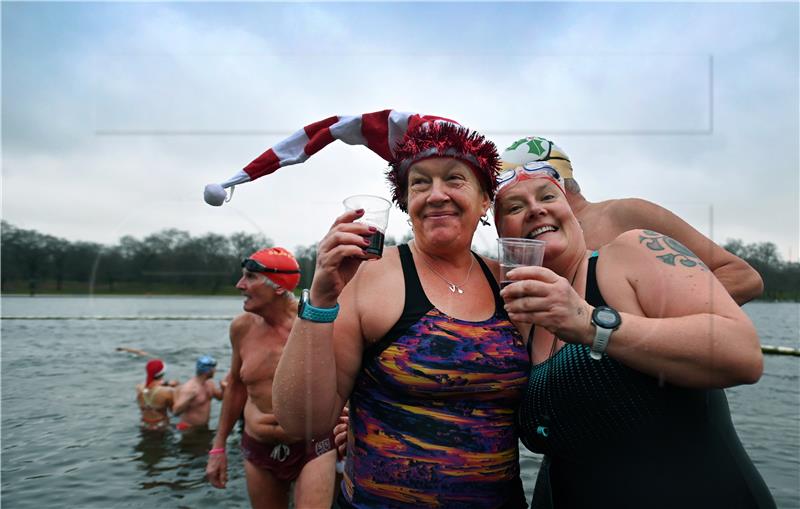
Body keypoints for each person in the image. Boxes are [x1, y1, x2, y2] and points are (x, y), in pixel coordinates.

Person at [224, 110, 533, 508]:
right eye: (420, 183)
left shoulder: (510, 283)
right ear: (405, 201)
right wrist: (320, 299)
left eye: (454, 178)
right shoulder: (368, 277)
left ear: (485, 197)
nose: (435, 193)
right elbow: (303, 422)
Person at [492, 161, 776, 508]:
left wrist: (590, 322)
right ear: (502, 234)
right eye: (515, 207)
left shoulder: (631, 252)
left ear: (572, 212)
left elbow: (742, 354)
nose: (536, 209)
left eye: (548, 196)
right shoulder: (527, 320)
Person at [500, 136, 763, 304]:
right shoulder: (525, 244)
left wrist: (642, 330)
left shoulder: (625, 214)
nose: (531, 207)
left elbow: (741, 277)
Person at [205, 247, 337, 509]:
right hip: (258, 444)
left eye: (250, 277)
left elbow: (348, 380)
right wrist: (218, 447)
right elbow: (236, 386)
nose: (239, 285)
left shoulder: (319, 324)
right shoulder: (241, 328)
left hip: (311, 444)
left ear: (278, 286)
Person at [173, 355, 224, 431]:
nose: (215, 371)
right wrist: (189, 398)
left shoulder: (210, 384)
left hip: (204, 427)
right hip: (190, 429)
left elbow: (220, 398)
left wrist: (224, 389)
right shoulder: (189, 389)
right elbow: (175, 411)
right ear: (207, 371)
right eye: (213, 368)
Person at [135, 358, 176, 431]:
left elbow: (148, 389)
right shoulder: (167, 392)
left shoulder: (139, 387)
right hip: (160, 426)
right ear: (163, 373)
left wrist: (165, 383)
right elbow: (174, 411)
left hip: (144, 425)